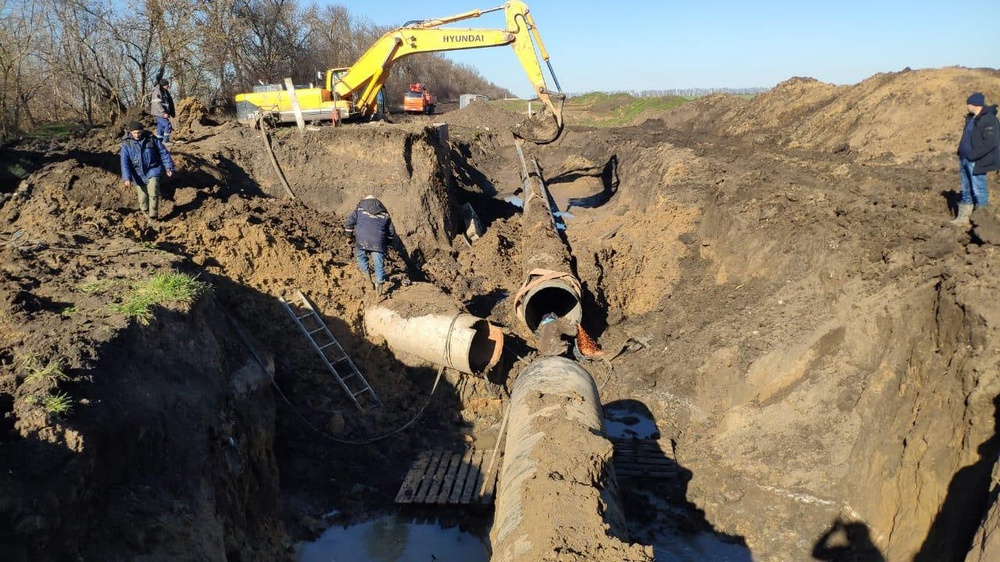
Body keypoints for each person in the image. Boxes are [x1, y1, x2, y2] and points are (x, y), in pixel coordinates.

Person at [952, 92, 1000, 225]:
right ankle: (963, 218)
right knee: (966, 189)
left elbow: (991, 142)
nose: (967, 106)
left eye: (969, 103)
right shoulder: (971, 118)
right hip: (964, 158)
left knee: (979, 188)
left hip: (976, 160)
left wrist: (973, 155)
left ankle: (982, 223)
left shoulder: (989, 119)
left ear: (975, 104)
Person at [121, 120, 174, 221]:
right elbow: (124, 162)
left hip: (153, 168)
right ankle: (147, 217)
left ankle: (153, 215)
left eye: (139, 132)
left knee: (153, 190)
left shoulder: (151, 139)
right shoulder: (126, 144)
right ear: (130, 133)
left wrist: (168, 167)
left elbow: (163, 152)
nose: (137, 135)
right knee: (142, 199)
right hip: (137, 173)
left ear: (142, 131)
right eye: (134, 133)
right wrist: (126, 178)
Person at [344, 195, 396, 296]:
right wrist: (387, 243)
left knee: (361, 257)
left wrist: (349, 237)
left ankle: (368, 281)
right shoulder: (385, 213)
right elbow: (391, 232)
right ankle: (379, 291)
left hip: (362, 240)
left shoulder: (359, 209)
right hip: (378, 242)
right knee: (379, 264)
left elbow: (349, 222)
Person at [150, 78, 176, 144]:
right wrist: (163, 113)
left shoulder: (164, 91)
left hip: (161, 112)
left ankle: (159, 142)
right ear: (163, 85)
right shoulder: (157, 91)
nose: (168, 86)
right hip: (159, 113)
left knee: (160, 127)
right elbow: (157, 103)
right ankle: (165, 141)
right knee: (168, 125)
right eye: (167, 85)